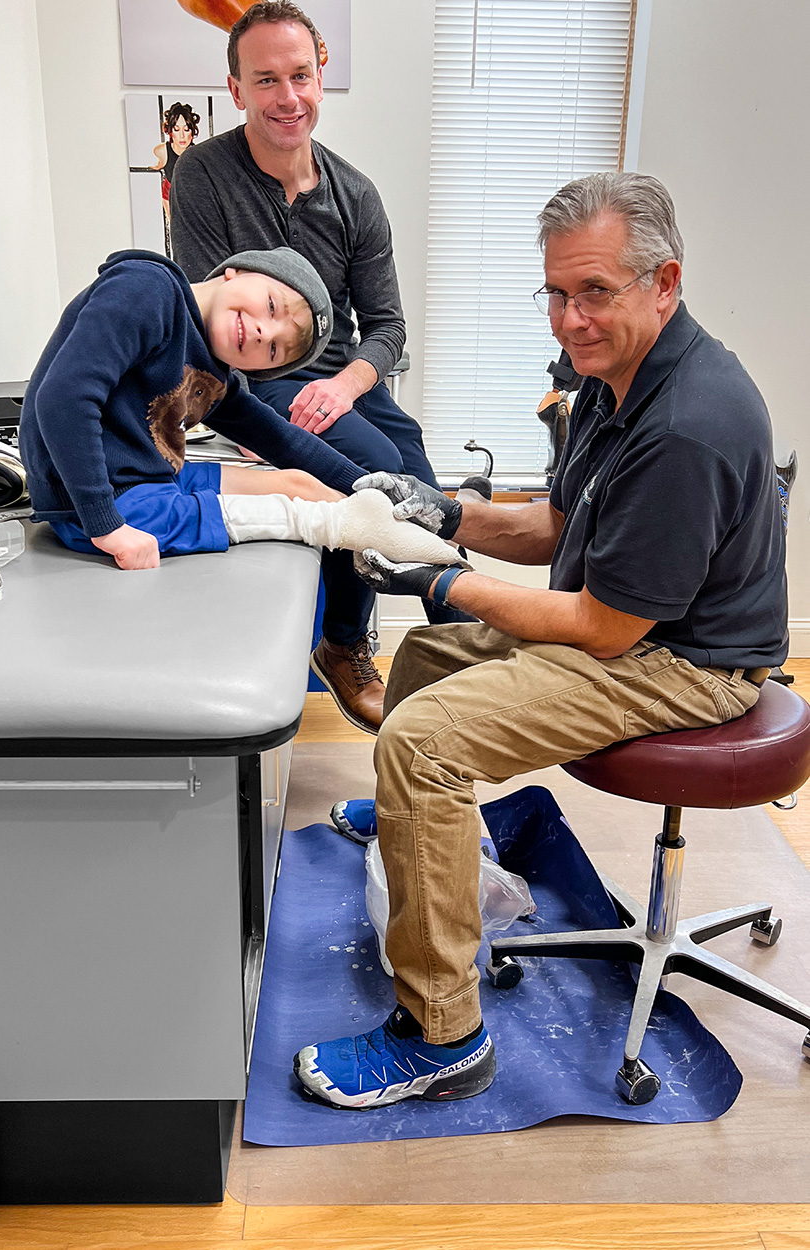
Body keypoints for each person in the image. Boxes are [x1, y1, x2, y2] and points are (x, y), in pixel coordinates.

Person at [292, 171, 789, 1110]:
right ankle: (427, 833)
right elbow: (558, 524)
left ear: (664, 282)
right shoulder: (612, 378)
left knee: (422, 743)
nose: (569, 319)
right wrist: (447, 511)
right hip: (632, 627)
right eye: (555, 293)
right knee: (430, 658)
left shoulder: (687, 426)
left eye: (593, 291)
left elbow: (601, 626)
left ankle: (442, 1035)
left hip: (688, 664)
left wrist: (437, 576)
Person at [169, 0, 470, 735]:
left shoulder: (354, 194)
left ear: (321, 74)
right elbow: (207, 316)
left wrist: (345, 384)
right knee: (368, 475)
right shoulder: (204, 175)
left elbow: (388, 327)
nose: (287, 98)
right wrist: (236, 416)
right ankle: (343, 644)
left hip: (342, 380)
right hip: (259, 378)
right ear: (236, 90)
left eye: (299, 75)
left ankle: (463, 648)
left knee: (423, 484)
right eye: (265, 79)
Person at [17, 243, 460, 574]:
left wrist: (369, 485)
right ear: (236, 271)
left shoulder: (213, 372)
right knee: (308, 514)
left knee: (298, 481)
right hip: (96, 501)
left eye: (273, 350)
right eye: (271, 306)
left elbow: (280, 438)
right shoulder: (147, 287)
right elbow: (63, 397)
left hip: (145, 478)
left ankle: (398, 523)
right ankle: (363, 532)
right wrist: (106, 526)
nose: (264, 330)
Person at [150, 102, 200, 227]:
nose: (182, 136)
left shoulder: (199, 155)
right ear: (170, 131)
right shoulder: (161, 151)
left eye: (186, 129)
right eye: (177, 130)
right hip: (170, 197)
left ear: (192, 131)